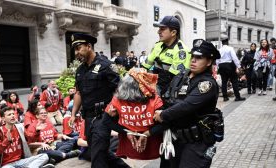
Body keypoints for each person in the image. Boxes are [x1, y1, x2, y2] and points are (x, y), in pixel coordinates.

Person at [149, 39, 223, 168]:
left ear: (209, 62)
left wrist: (163, 115)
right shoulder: (181, 75)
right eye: (193, 56)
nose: (193, 60)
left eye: (199, 57)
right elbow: (166, 99)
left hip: (196, 143)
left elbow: (186, 106)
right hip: (174, 138)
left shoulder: (207, 84)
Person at [68, 33, 129, 168]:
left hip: (104, 116)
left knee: (97, 159)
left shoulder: (106, 65)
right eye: (75, 50)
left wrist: (113, 107)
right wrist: (73, 114)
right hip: (88, 118)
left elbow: (120, 90)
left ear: (89, 46)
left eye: (79, 48)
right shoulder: (80, 70)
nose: (77, 53)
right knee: (98, 151)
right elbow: (78, 92)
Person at [105, 68, 163, 160]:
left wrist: (128, 131)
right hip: (152, 141)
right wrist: (146, 133)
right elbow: (165, 122)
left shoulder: (116, 100)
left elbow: (107, 121)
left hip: (134, 143)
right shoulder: (155, 100)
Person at [142, 15, 191, 96]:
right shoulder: (157, 45)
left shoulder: (181, 51)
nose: (158, 32)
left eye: (162, 29)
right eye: (159, 29)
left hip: (169, 92)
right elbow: (144, 68)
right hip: (154, 87)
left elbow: (176, 81)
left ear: (173, 32)